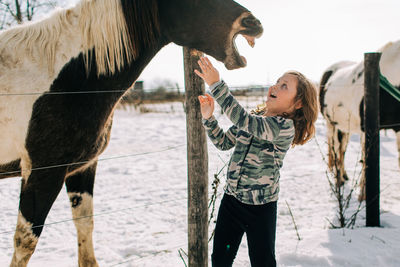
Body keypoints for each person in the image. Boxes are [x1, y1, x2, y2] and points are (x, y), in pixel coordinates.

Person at [194, 56, 318, 267]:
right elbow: (224, 143)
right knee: (220, 259)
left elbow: (245, 121)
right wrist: (209, 118)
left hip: (260, 209)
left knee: (263, 262)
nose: (275, 86)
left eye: (284, 86)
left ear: (297, 103)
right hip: (232, 202)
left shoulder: (284, 127)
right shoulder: (255, 116)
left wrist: (216, 84)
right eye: (277, 81)